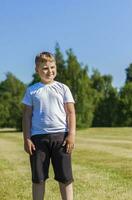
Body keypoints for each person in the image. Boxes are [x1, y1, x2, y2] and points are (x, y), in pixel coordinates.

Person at [22, 51, 76, 200]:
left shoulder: (63, 88)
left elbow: (71, 113)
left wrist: (71, 135)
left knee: (65, 177)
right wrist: (27, 138)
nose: (49, 71)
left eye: (52, 67)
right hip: (38, 139)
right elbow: (26, 116)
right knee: (38, 177)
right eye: (45, 68)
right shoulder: (32, 91)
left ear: (56, 67)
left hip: (61, 138)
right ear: (37, 69)